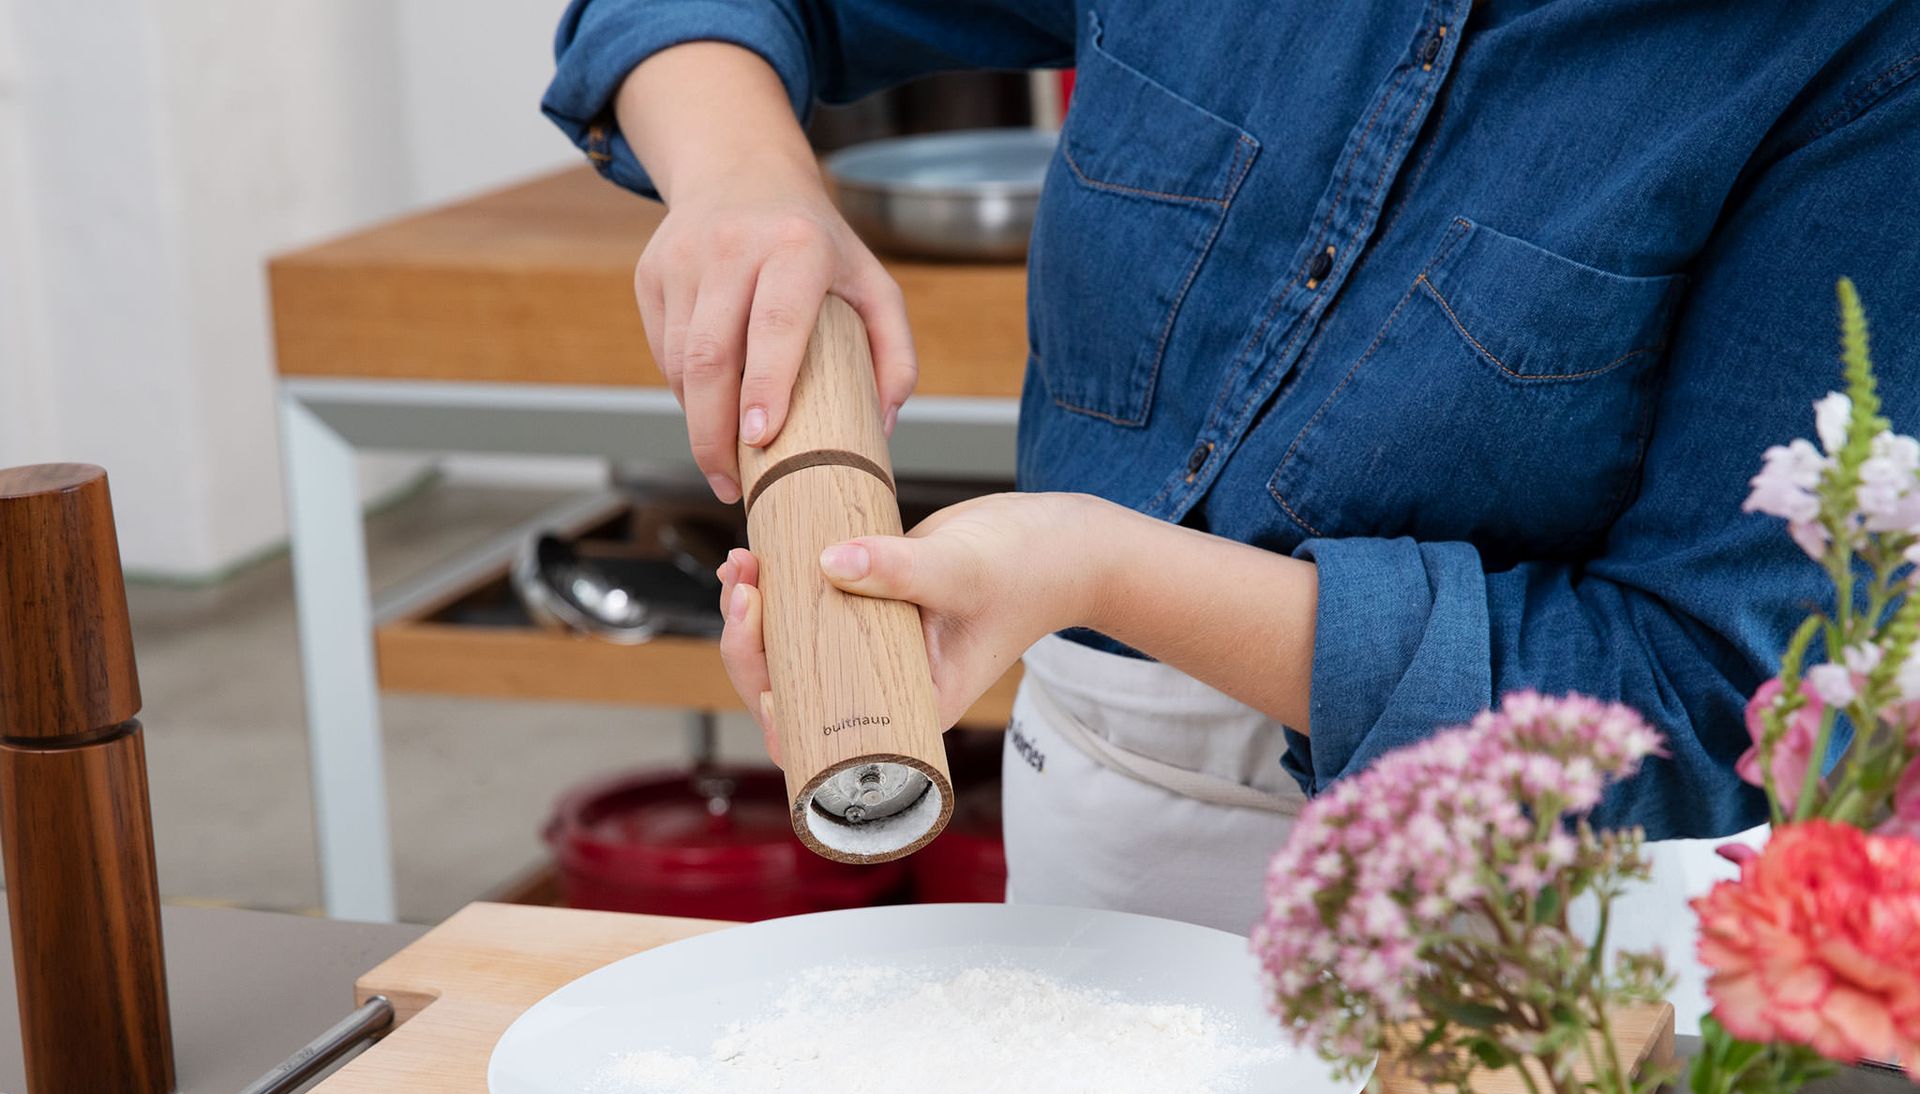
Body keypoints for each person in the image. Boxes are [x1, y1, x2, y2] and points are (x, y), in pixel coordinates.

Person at [544, 2, 1920, 934]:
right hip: (1088, 864)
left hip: (1524, 949)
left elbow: (1709, 708)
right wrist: (744, 181)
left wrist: (1099, 568)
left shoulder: (1866, 63)